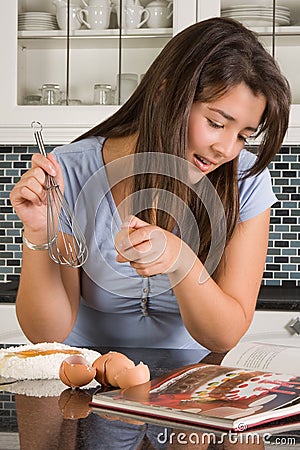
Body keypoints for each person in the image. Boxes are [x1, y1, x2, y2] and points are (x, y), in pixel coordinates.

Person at [10, 17, 291, 353]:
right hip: (86, 377)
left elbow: (223, 336)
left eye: (243, 136)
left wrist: (180, 259)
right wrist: (40, 233)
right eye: (216, 123)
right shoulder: (70, 171)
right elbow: (46, 334)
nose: (226, 150)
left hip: (187, 389)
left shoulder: (245, 180)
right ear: (165, 94)